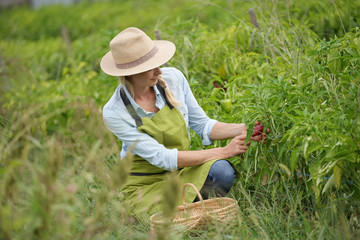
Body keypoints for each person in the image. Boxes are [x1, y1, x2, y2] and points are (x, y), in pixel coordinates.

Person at [100, 27, 268, 214]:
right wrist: (224, 151)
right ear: (131, 73)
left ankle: (191, 213)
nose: (158, 70)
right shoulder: (115, 112)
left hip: (182, 170)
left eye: (158, 63)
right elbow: (162, 158)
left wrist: (244, 130)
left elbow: (203, 125)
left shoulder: (173, 79)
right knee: (158, 216)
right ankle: (190, 216)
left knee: (222, 171)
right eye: (150, 67)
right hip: (145, 185)